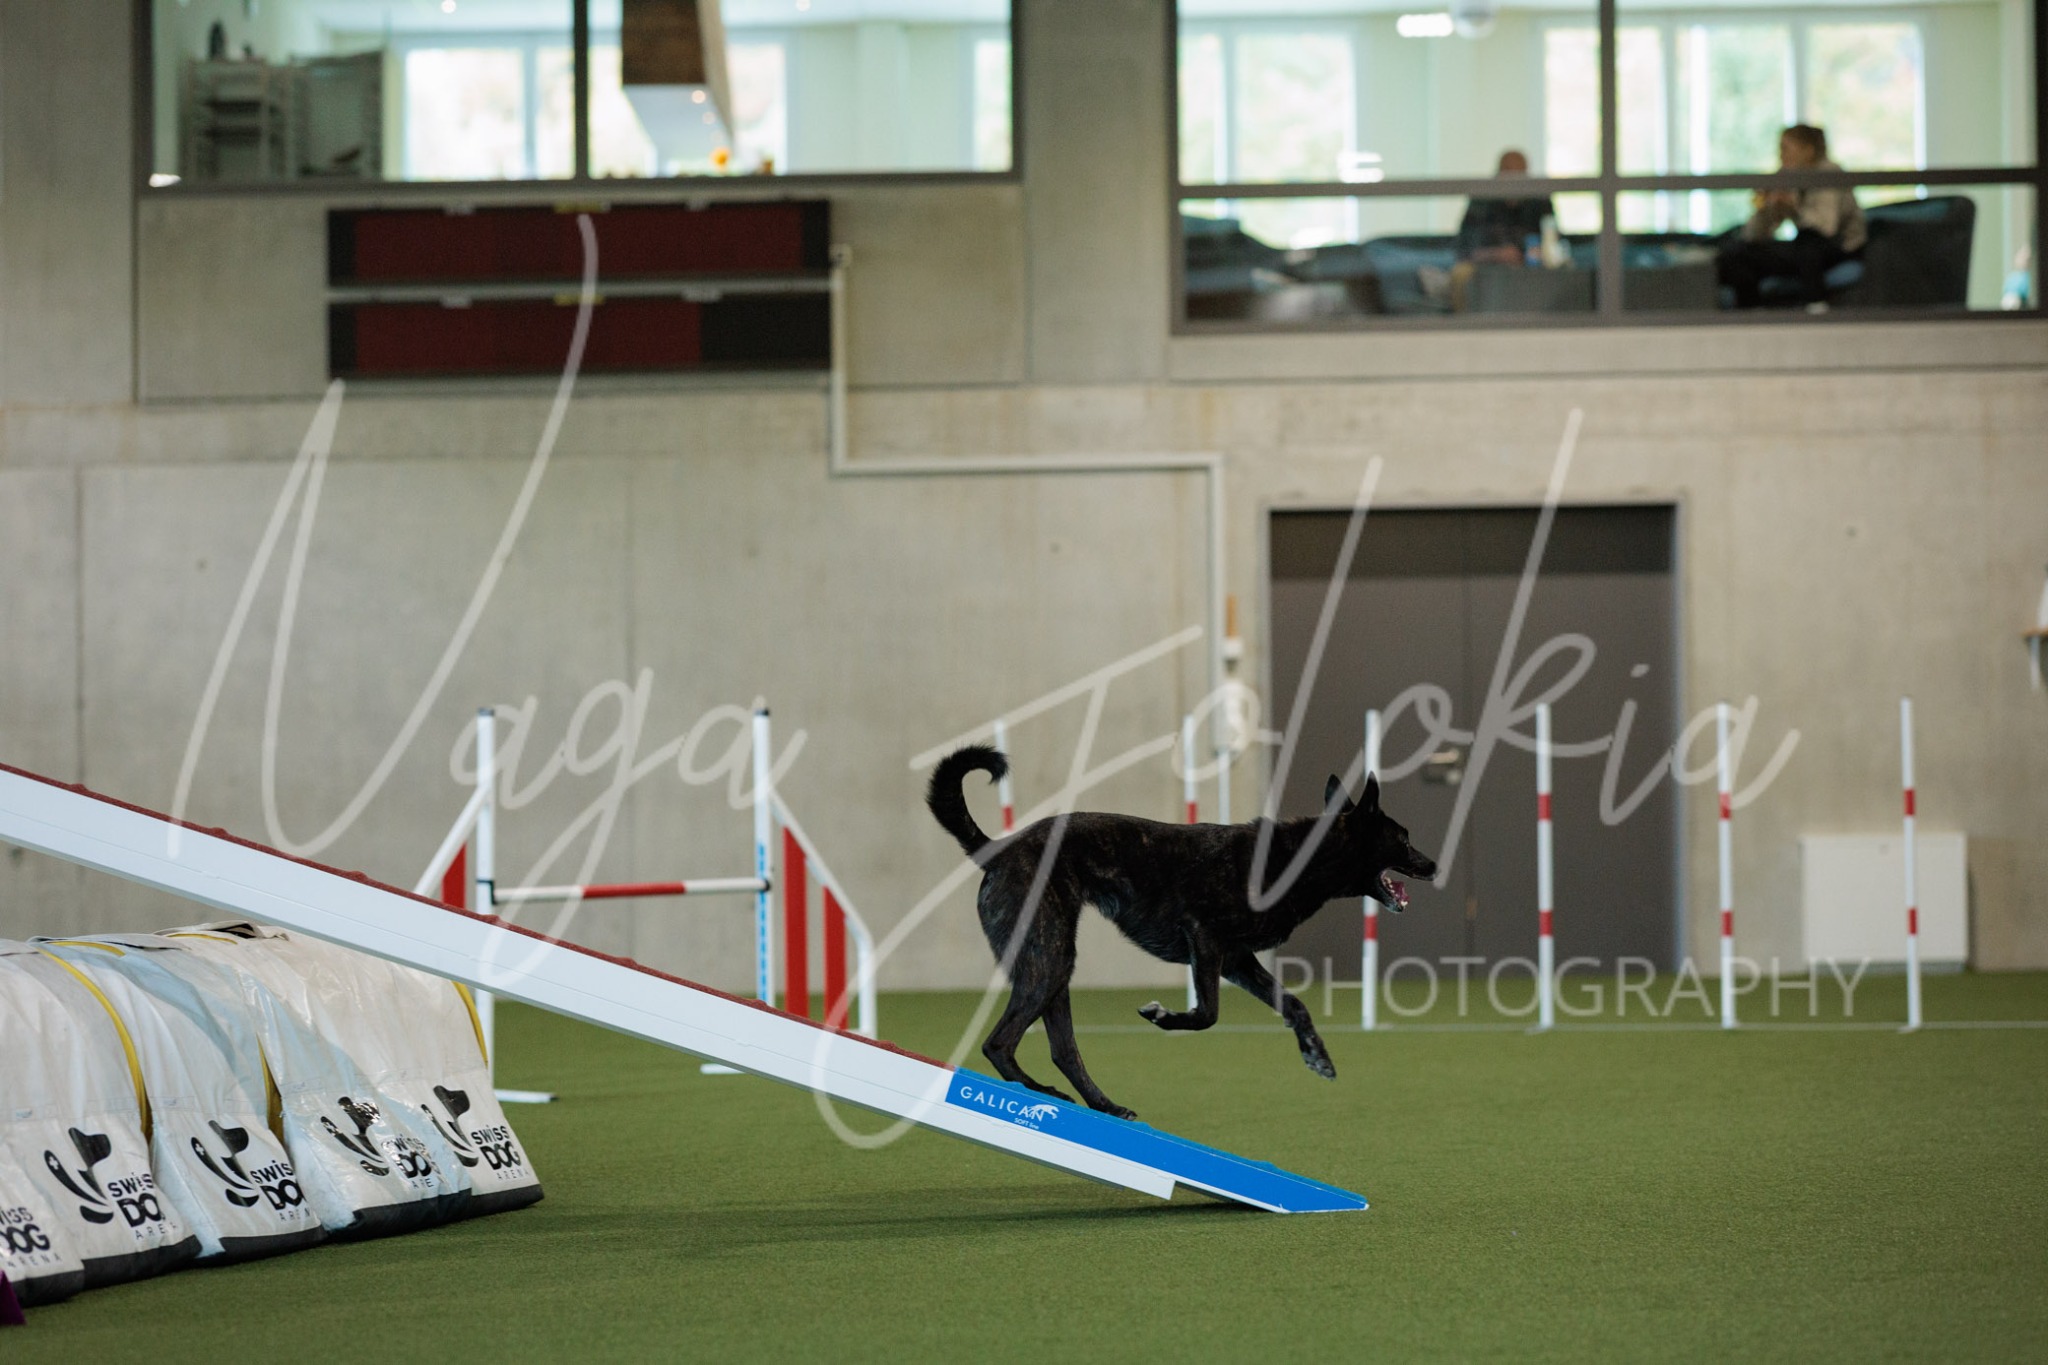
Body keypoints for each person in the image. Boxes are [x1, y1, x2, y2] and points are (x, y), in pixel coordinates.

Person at [1717, 124, 1867, 308]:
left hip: (1840, 247)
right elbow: (1753, 236)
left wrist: (1793, 207)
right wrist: (1767, 207)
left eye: (1785, 148)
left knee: (1808, 243)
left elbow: (1826, 228)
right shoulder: (1787, 177)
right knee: (1738, 254)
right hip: (1805, 249)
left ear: (1808, 151)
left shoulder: (1829, 174)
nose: (1780, 155)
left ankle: (1816, 307)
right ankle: (1752, 314)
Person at [1456, 150, 1555, 264]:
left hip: (1532, 270)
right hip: (1488, 271)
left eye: (1519, 174)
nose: (1514, 180)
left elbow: (1553, 245)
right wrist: (1495, 254)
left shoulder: (1539, 201)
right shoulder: (1482, 202)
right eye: (1509, 173)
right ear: (1498, 173)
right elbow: (1463, 251)